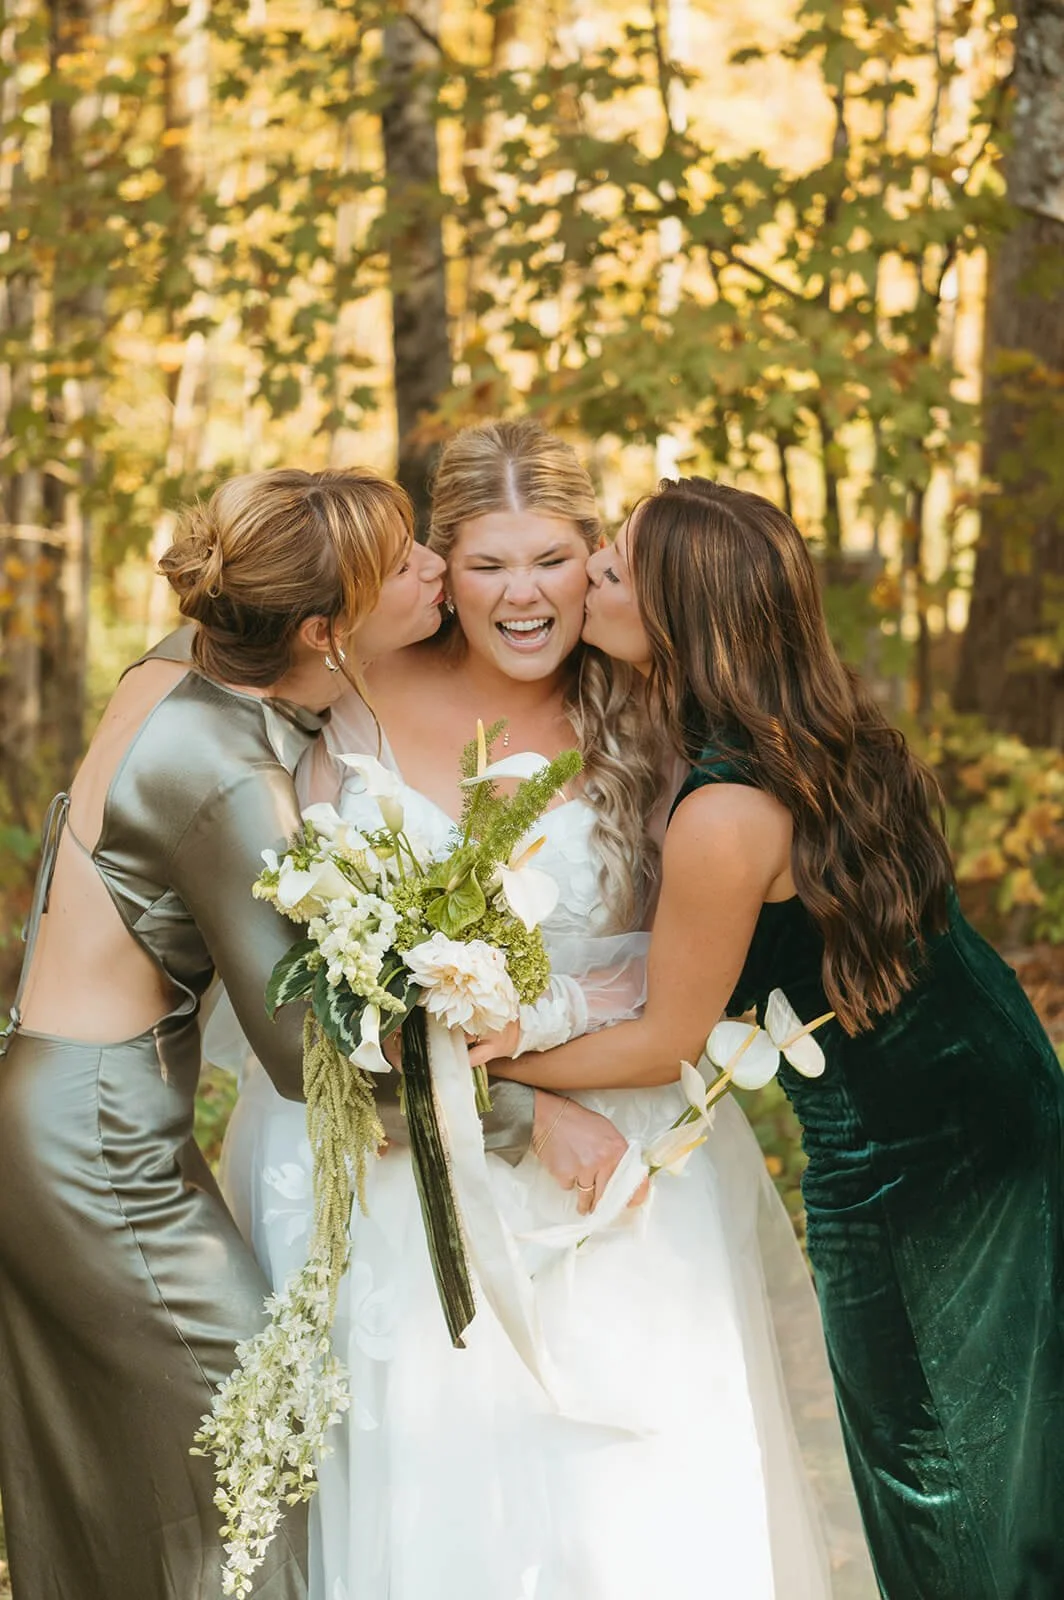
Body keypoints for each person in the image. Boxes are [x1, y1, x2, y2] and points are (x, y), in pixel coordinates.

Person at [217, 424, 874, 1599]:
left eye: (552, 559)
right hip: (398, 1156)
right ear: (440, 570)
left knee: (627, 1505)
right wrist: (483, 1093)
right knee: (437, 1486)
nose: (522, 595)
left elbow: (670, 968)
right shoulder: (355, 697)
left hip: (617, 1147)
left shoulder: (659, 713)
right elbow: (320, 954)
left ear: (595, 560)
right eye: (485, 565)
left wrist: (530, 1056)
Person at [483, 475, 1064, 1600]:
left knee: (933, 1453)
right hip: (985, 1082)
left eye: (612, 567)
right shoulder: (803, 730)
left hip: (914, 1154)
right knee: (998, 1435)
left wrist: (489, 1058)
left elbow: (664, 1040)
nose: (589, 572)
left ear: (679, 612)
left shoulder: (725, 808)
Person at [0, 467, 450, 1600]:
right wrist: (512, 1099)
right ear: (321, 630)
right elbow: (309, 1058)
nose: (435, 567)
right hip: (97, 1146)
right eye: (405, 564)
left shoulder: (175, 664)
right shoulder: (226, 771)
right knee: (258, 1438)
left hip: (53, 1101)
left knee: (134, 1462)